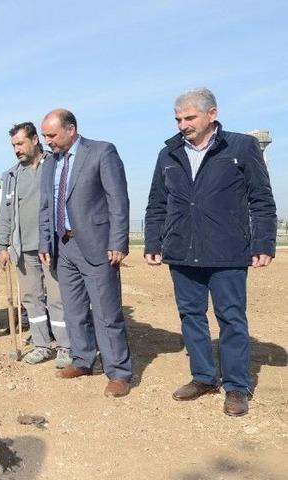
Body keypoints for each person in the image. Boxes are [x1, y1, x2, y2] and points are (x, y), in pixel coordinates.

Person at [144, 88, 277, 416]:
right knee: (191, 315)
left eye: (189, 118)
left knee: (231, 317)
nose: (183, 125)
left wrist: (263, 242)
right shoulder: (169, 153)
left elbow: (261, 199)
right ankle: (203, 377)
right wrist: (153, 242)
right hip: (181, 250)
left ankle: (236, 386)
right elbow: (157, 203)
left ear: (212, 114)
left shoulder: (241, 147)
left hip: (227, 251)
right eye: (178, 119)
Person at [38, 109, 132, 398]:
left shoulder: (102, 152)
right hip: (63, 246)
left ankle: (118, 372)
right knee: (74, 309)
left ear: (71, 129)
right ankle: (82, 360)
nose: (48, 141)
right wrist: (45, 243)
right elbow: (46, 206)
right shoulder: (49, 163)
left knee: (106, 312)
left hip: (97, 244)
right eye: (44, 136)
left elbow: (118, 199)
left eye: (52, 135)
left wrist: (118, 241)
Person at [0, 122, 71, 367]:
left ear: (35, 140)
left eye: (20, 143)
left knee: (57, 298)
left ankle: (65, 346)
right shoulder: (11, 176)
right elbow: (5, 212)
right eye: (14, 145)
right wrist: (3, 245)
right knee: (32, 298)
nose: (17, 150)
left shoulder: (55, 164)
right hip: (23, 248)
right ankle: (42, 345)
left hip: (52, 247)